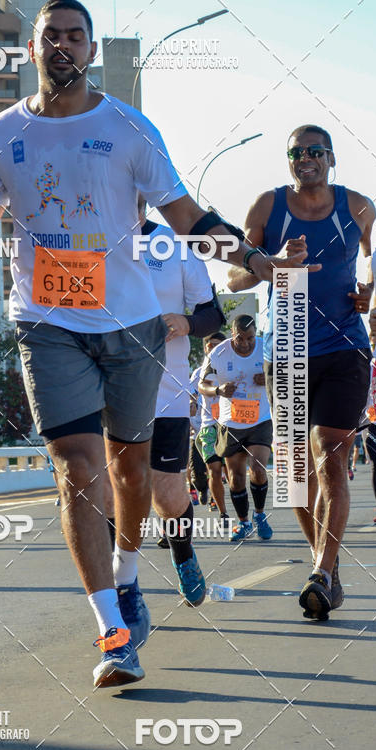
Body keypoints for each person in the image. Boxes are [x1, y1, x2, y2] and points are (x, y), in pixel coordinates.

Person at [0, 0, 310, 687]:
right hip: (47, 327)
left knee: (130, 475)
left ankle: (131, 574)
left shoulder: (129, 129)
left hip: (132, 329)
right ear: (31, 49)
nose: (63, 46)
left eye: (75, 37)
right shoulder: (2, 134)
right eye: (51, 36)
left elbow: (188, 214)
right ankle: (113, 630)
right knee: (77, 470)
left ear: (88, 51)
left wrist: (257, 262)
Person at [228, 125, 375, 618]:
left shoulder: (358, 206)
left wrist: (370, 293)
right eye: (296, 152)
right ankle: (325, 566)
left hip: (344, 349)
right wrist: (270, 262)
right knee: (294, 475)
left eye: (314, 151)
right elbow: (234, 274)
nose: (304, 159)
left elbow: (371, 262)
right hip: (286, 347)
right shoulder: (266, 207)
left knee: (329, 455)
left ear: (331, 158)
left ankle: (322, 570)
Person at [138, 198, 224, 605]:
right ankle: (120, 588)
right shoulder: (90, 242)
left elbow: (212, 314)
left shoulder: (172, 245)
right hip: (103, 391)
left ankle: (183, 553)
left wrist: (187, 322)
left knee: (167, 496)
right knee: (105, 492)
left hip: (165, 394)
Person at [199, 316, 273, 541]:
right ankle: (243, 523)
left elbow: (290, 373)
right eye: (241, 339)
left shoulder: (265, 347)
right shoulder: (218, 353)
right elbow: (203, 385)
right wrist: (219, 391)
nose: (246, 344)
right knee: (236, 477)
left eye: (250, 338)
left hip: (260, 418)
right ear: (233, 334)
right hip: (230, 421)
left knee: (258, 468)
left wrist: (271, 378)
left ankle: (260, 514)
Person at [193, 333, 229, 525]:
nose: (212, 349)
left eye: (217, 345)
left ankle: (243, 509)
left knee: (233, 471)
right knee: (214, 470)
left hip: (230, 425)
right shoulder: (199, 372)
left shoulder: (232, 367)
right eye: (209, 346)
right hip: (208, 427)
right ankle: (223, 513)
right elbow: (190, 393)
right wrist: (191, 404)